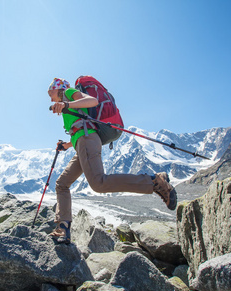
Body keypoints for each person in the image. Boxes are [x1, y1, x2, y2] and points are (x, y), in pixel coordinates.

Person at [47, 77, 177, 244]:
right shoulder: (67, 104)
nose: (49, 96)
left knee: (99, 183)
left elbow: (92, 101)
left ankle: (155, 182)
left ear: (57, 88)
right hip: (82, 142)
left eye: (50, 91)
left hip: (87, 141)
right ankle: (63, 228)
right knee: (62, 183)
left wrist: (66, 104)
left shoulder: (69, 93)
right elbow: (81, 127)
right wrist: (66, 145)